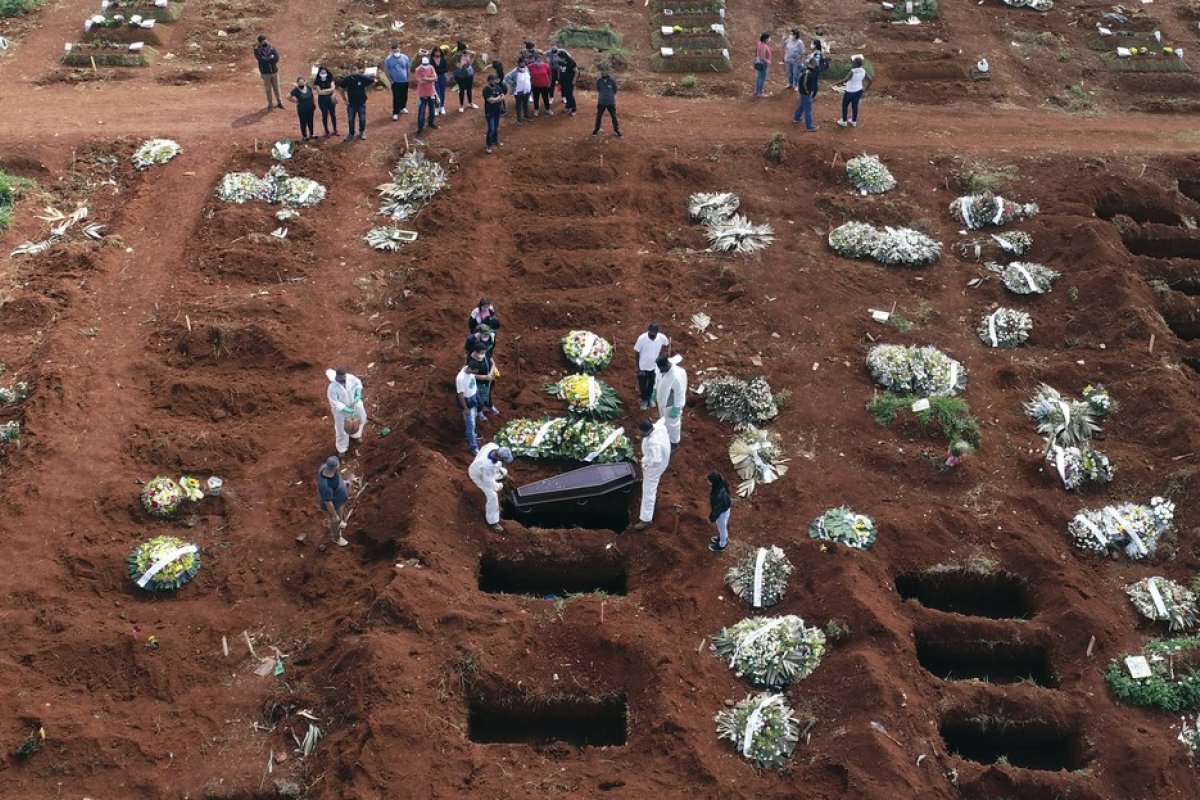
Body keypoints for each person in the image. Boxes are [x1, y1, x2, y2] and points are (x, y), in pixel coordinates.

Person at [631, 419, 671, 531]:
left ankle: (646, 519)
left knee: (649, 490)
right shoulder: (658, 428)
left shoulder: (654, 444)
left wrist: (645, 463)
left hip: (655, 467)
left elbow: (656, 460)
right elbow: (662, 420)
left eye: (642, 433)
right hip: (662, 459)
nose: (640, 434)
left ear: (647, 431)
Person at [469, 444, 514, 533]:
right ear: (498, 457)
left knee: (504, 472)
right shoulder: (488, 466)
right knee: (492, 495)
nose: (504, 462)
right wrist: (499, 486)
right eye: (503, 460)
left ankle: (500, 474)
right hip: (478, 475)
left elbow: (482, 450)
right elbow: (488, 482)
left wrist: (498, 469)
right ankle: (493, 522)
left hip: (483, 468)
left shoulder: (492, 446)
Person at [326, 367, 367, 455]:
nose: (343, 380)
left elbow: (358, 384)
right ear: (337, 377)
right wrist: (346, 409)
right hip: (341, 411)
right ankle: (342, 449)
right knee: (342, 430)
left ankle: (356, 435)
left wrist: (358, 392)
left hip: (354, 404)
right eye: (341, 379)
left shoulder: (350, 377)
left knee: (361, 418)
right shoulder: (332, 388)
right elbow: (335, 403)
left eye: (344, 378)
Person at [654, 354, 688, 450]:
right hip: (662, 400)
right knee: (664, 420)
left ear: (666, 365)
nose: (660, 370)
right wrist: (654, 389)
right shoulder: (661, 369)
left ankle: (674, 442)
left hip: (671, 404)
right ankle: (665, 434)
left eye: (661, 368)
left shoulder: (676, 377)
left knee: (673, 424)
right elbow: (657, 379)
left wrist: (677, 407)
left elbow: (679, 394)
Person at [634, 323, 670, 410]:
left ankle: (649, 398)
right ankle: (644, 400)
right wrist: (638, 367)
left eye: (655, 333)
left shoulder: (661, 337)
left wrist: (661, 354)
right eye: (651, 333)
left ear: (657, 332)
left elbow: (666, 343)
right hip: (643, 366)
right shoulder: (642, 338)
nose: (653, 335)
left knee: (651, 383)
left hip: (654, 366)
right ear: (648, 331)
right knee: (642, 385)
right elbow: (637, 352)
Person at [317, 456, 351, 546]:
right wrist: (334, 515)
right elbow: (328, 502)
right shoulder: (326, 486)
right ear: (335, 467)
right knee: (335, 521)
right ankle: (336, 537)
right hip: (334, 506)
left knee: (339, 517)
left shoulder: (324, 467)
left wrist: (343, 483)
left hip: (339, 502)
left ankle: (339, 522)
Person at [337, 65, 374, 141]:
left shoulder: (362, 77)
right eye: (352, 70)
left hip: (361, 103)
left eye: (355, 70)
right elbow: (340, 88)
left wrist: (367, 90)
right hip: (351, 104)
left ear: (357, 70)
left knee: (362, 119)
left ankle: (362, 132)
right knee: (351, 119)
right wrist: (344, 99)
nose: (353, 71)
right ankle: (351, 133)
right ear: (349, 72)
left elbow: (373, 81)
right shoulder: (347, 79)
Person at [835, 55, 872, 128]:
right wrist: (865, 90)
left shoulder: (852, 71)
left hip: (849, 91)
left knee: (845, 105)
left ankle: (844, 121)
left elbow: (845, 79)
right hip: (859, 91)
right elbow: (870, 80)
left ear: (855, 64)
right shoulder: (863, 70)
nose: (852, 64)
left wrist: (836, 83)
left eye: (853, 63)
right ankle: (853, 121)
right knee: (855, 106)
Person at [456, 360, 482, 453]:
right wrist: (466, 408)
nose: (475, 373)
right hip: (468, 401)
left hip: (474, 396)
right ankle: (473, 447)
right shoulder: (460, 378)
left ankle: (470, 434)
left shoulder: (468, 369)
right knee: (471, 424)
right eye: (474, 371)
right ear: (470, 368)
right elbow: (460, 395)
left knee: (473, 421)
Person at [468, 346, 500, 416]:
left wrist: (490, 374)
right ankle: (479, 412)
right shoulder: (472, 361)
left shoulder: (486, 354)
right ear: (476, 352)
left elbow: (493, 363)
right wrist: (485, 377)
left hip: (488, 381)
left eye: (484, 352)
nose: (483, 354)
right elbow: (472, 375)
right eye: (481, 353)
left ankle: (490, 406)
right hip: (478, 384)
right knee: (479, 399)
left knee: (488, 395)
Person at [254, 35, 283, 110]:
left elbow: (276, 58)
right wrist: (270, 58)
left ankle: (279, 102)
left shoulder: (272, 48)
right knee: (268, 89)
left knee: (276, 88)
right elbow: (261, 60)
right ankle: (270, 104)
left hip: (274, 71)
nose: (265, 42)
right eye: (263, 41)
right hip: (265, 73)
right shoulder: (257, 50)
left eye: (266, 40)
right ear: (260, 43)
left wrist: (267, 59)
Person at [791, 55, 819, 131]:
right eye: (816, 62)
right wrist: (807, 92)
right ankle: (809, 126)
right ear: (813, 63)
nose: (817, 63)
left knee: (802, 105)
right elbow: (804, 83)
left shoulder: (807, 70)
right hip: (805, 93)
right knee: (808, 109)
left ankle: (796, 118)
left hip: (804, 92)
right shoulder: (808, 73)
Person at [707, 471, 732, 552]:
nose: (708, 481)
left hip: (722, 512)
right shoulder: (722, 482)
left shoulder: (717, 495)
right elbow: (728, 492)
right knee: (723, 527)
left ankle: (722, 545)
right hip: (726, 507)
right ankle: (722, 538)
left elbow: (716, 510)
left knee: (722, 527)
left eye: (709, 480)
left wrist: (711, 518)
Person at [592, 66, 621, 137]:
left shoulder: (612, 80)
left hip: (610, 102)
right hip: (601, 101)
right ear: (601, 72)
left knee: (613, 116)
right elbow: (598, 89)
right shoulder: (599, 80)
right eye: (602, 71)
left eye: (605, 70)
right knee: (599, 116)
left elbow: (615, 89)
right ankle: (597, 129)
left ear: (608, 71)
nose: (604, 72)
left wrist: (610, 96)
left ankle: (616, 130)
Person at [384, 44, 410, 119]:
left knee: (404, 95)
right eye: (395, 51)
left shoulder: (405, 57)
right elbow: (386, 70)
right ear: (392, 51)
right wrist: (390, 80)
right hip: (395, 82)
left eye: (397, 50)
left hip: (404, 81)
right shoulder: (388, 59)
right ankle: (395, 112)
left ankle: (402, 107)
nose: (396, 52)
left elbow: (407, 68)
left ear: (399, 49)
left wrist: (407, 78)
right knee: (396, 97)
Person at [414, 55, 439, 134]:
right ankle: (420, 127)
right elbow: (420, 81)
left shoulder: (431, 67)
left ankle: (431, 123)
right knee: (421, 111)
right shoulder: (418, 70)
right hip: (422, 94)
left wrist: (425, 78)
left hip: (431, 92)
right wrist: (431, 79)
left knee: (432, 110)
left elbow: (436, 78)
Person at [313, 66, 339, 138]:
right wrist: (329, 90)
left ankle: (335, 129)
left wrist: (324, 91)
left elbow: (333, 89)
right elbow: (319, 92)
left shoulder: (330, 79)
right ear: (319, 73)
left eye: (324, 72)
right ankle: (326, 131)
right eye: (322, 72)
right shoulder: (317, 81)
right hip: (322, 101)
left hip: (331, 99)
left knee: (333, 114)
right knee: (324, 115)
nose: (323, 73)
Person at [288, 76, 316, 141]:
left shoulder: (308, 87)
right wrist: (295, 101)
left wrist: (313, 104)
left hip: (310, 108)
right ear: (298, 83)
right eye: (300, 83)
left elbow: (312, 96)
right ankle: (305, 136)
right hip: (302, 109)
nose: (301, 84)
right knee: (303, 122)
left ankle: (311, 134)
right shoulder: (296, 90)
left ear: (304, 82)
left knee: (310, 121)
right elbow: (288, 97)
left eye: (302, 82)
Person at [483, 72, 505, 153]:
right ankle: (488, 145)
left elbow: (502, 95)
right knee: (491, 128)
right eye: (491, 80)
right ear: (488, 81)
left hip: (497, 111)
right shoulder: (486, 90)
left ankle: (495, 140)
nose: (493, 82)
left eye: (494, 80)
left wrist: (496, 98)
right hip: (489, 112)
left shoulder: (498, 87)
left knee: (496, 127)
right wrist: (498, 98)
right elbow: (490, 101)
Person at [453, 43, 477, 112]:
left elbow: (474, 54)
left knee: (469, 89)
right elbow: (460, 67)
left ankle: (470, 103)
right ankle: (461, 105)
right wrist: (463, 59)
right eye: (463, 50)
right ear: (459, 50)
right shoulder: (455, 57)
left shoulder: (467, 53)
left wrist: (469, 54)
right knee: (462, 90)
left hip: (469, 74)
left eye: (465, 50)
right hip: (461, 76)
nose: (464, 51)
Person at [506, 59, 531, 124]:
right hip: (518, 91)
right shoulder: (514, 71)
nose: (522, 64)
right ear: (518, 64)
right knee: (518, 105)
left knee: (526, 103)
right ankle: (519, 119)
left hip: (526, 90)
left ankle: (526, 115)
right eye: (521, 63)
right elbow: (507, 77)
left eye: (523, 63)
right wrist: (512, 83)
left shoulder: (527, 69)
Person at [528, 52, 552, 116]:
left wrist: (549, 83)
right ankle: (536, 109)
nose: (539, 61)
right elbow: (526, 72)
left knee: (546, 98)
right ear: (535, 60)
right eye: (537, 60)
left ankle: (548, 109)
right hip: (535, 85)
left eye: (540, 60)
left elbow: (549, 75)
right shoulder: (530, 66)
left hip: (545, 85)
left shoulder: (546, 66)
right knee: (536, 98)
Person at [557, 48, 578, 116]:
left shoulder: (571, 62)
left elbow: (576, 71)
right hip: (563, 80)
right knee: (565, 93)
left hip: (570, 81)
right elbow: (559, 70)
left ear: (564, 57)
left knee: (570, 95)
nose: (559, 59)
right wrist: (559, 79)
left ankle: (574, 108)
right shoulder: (560, 62)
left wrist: (574, 80)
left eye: (560, 57)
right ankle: (568, 106)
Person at [431, 47, 449, 115]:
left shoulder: (443, 60)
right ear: (434, 53)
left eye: (438, 52)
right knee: (436, 93)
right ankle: (436, 107)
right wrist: (439, 71)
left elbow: (446, 69)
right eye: (436, 52)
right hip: (434, 78)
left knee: (442, 92)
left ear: (440, 52)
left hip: (442, 78)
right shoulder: (431, 60)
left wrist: (437, 71)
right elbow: (431, 69)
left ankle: (442, 106)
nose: (437, 53)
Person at [754, 32, 772, 97]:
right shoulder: (764, 46)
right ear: (765, 39)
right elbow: (762, 57)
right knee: (762, 78)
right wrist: (768, 61)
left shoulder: (759, 43)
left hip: (758, 62)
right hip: (763, 64)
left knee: (759, 77)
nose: (769, 39)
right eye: (768, 38)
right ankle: (760, 93)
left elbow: (756, 51)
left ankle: (757, 90)